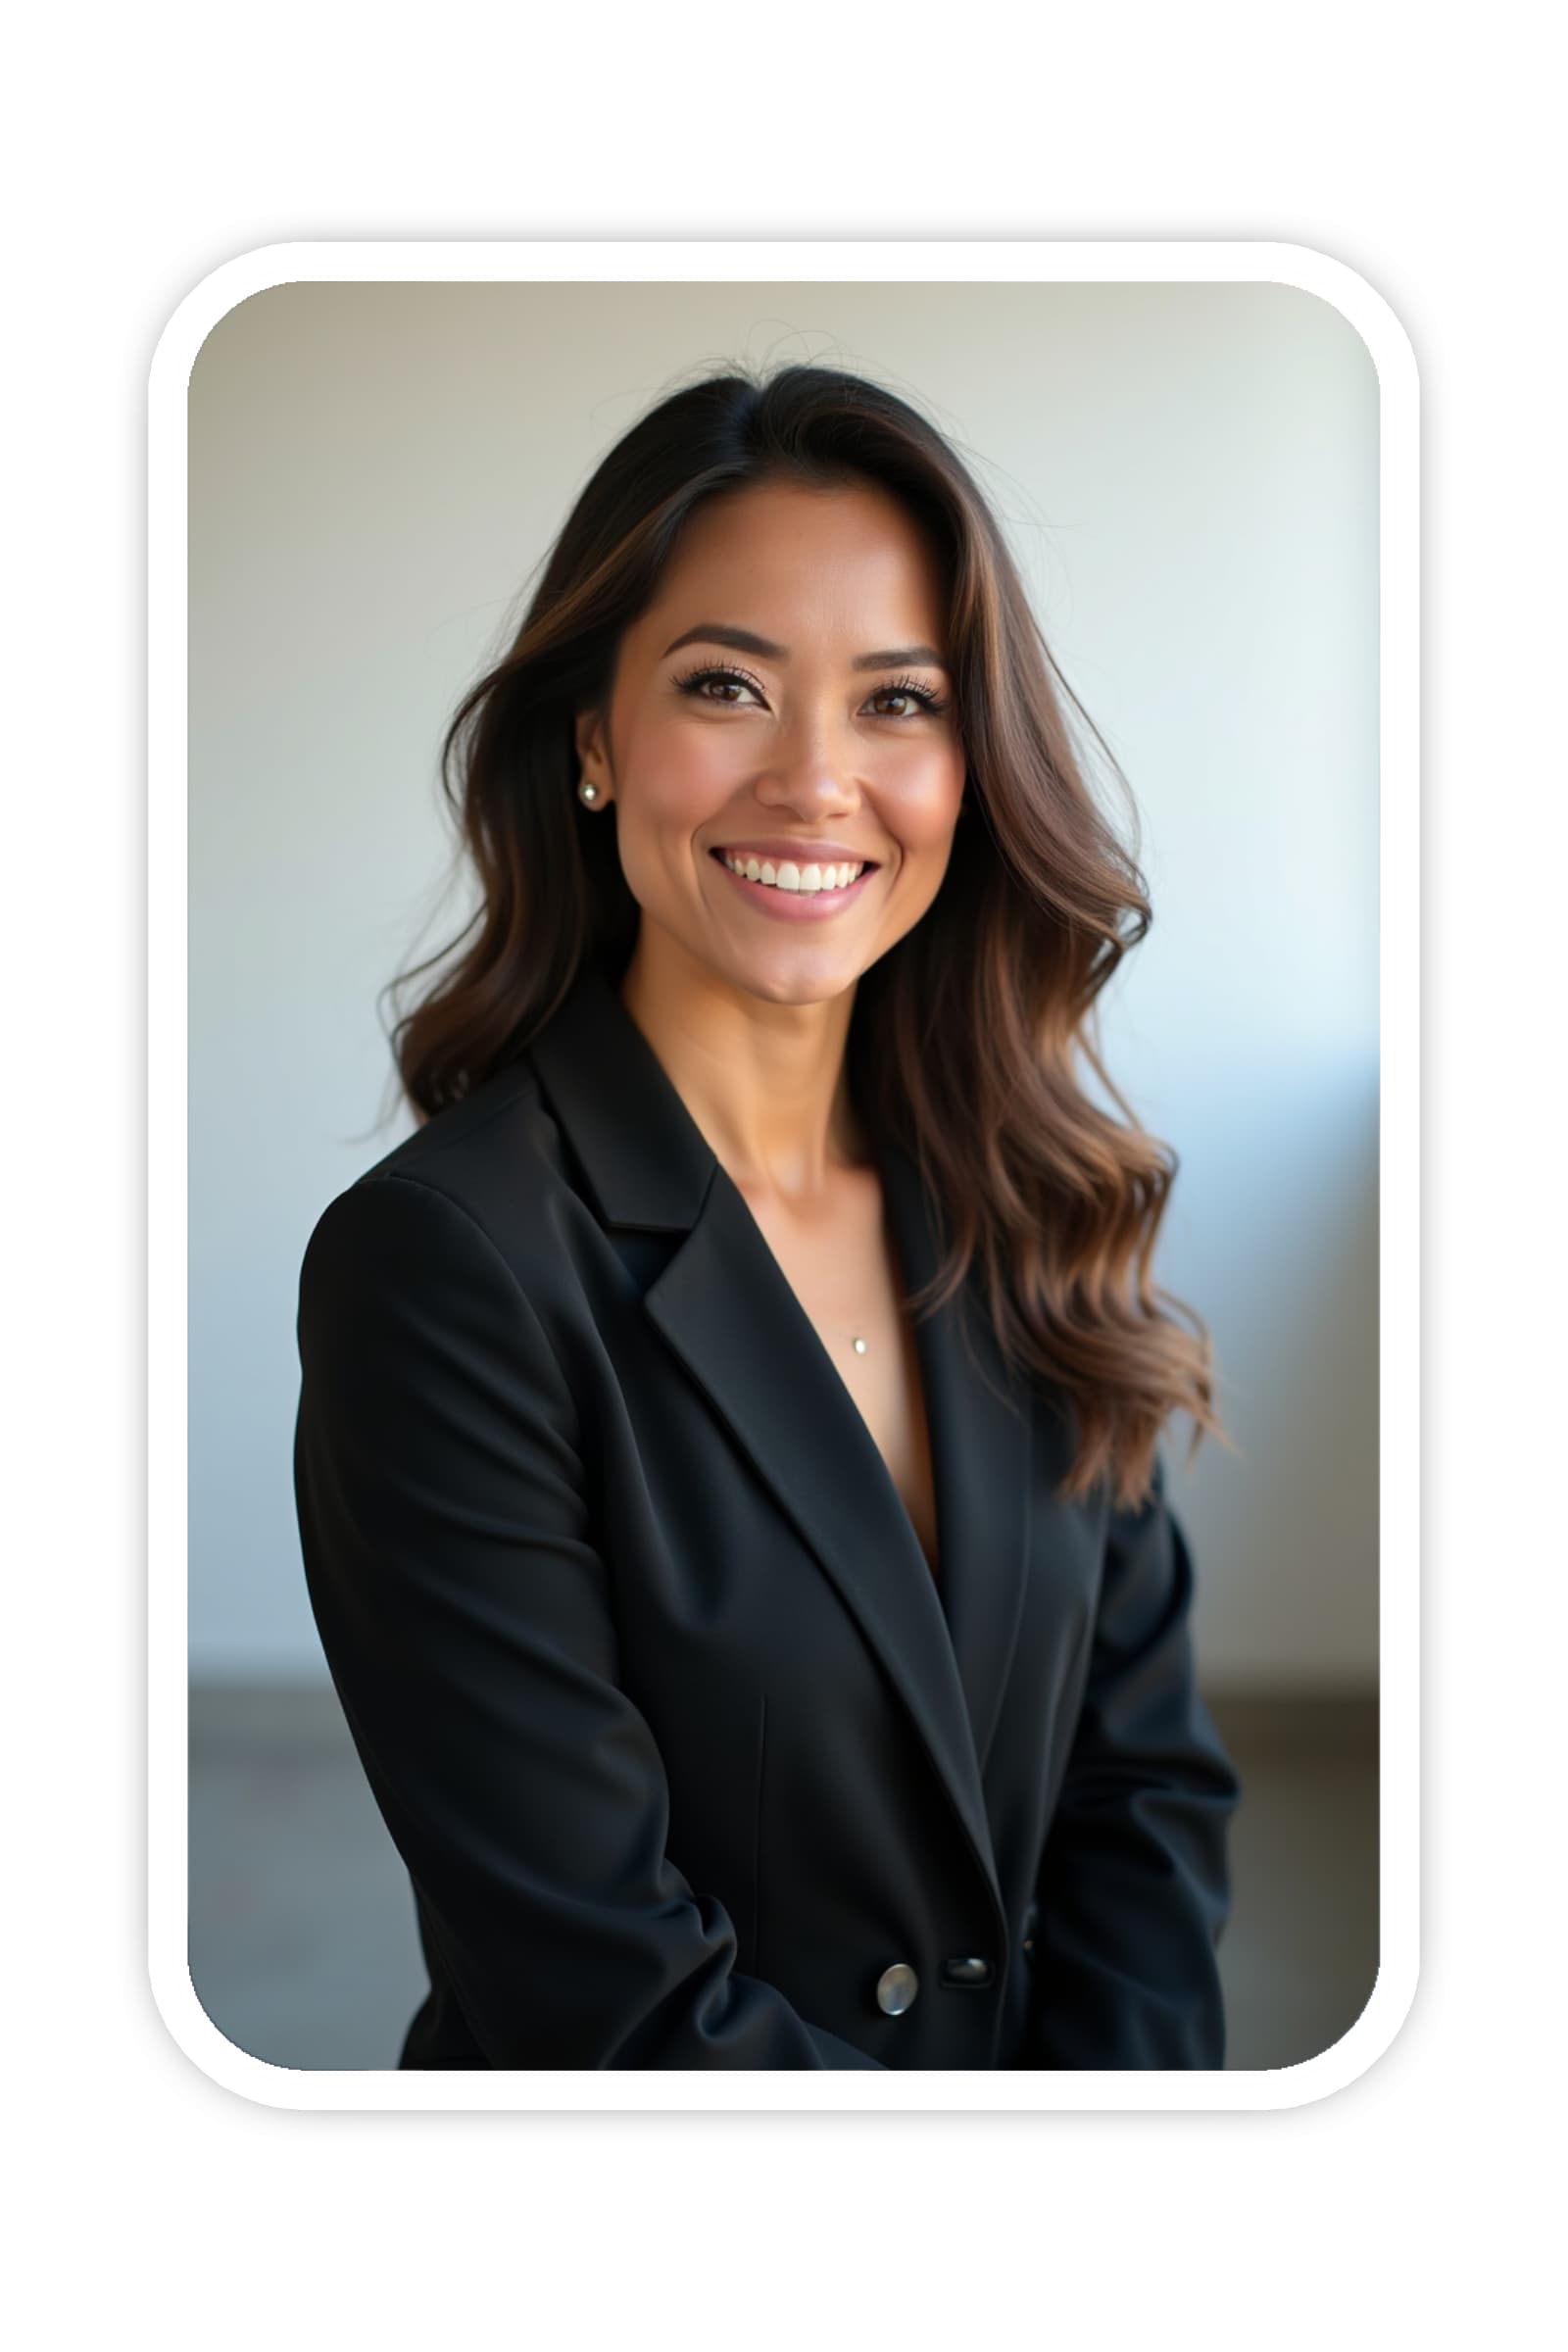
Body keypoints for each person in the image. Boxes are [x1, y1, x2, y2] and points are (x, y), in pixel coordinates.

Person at [292, 361, 1242, 2072]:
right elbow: (597, 1981)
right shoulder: (446, 1266)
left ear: (972, 761)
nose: (816, 782)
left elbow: (1144, 1798)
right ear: (593, 738)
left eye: (899, 702)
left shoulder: (1035, 1201)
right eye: (727, 684)